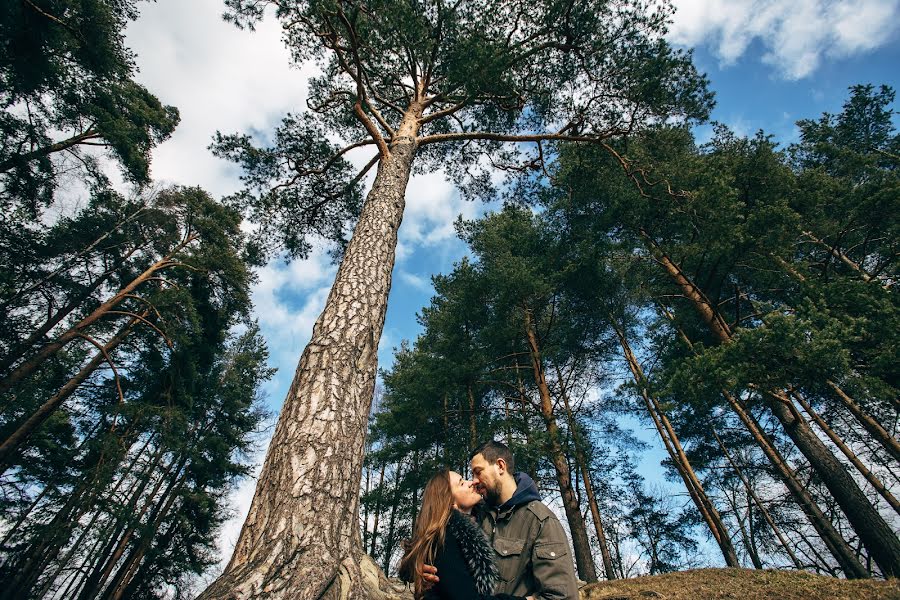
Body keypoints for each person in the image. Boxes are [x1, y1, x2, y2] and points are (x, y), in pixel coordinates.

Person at [425, 441, 580, 600]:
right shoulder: (472, 516)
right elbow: (431, 535)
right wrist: (418, 570)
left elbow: (562, 596)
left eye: (478, 472)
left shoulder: (539, 520)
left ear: (500, 466)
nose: (474, 481)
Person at [398, 469, 529, 600]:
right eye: (461, 483)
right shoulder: (445, 537)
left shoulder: (480, 523)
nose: (471, 482)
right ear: (450, 501)